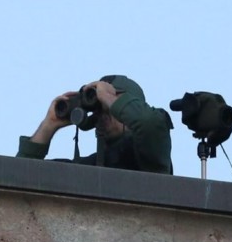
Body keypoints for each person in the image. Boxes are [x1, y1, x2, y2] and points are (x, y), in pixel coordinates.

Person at [17, 75, 173, 174]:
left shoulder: (151, 154)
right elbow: (19, 175)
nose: (103, 109)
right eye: (98, 104)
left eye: (111, 102)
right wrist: (49, 125)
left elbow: (149, 123)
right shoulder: (88, 168)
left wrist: (107, 98)